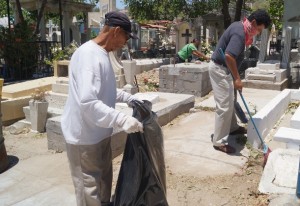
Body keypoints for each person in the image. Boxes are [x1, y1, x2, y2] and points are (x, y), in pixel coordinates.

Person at [61, 11, 144, 206]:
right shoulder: (88, 55)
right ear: (115, 31)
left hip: (100, 133)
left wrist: (129, 98)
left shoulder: (102, 54)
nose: (125, 43)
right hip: (84, 138)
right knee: (89, 189)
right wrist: (122, 119)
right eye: (126, 37)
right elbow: (88, 102)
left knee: (104, 182)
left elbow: (106, 90)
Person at [209, 9, 271, 153]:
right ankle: (218, 142)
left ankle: (232, 128)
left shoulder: (240, 25)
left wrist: (235, 76)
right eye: (259, 29)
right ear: (254, 23)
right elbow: (229, 56)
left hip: (226, 69)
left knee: (231, 101)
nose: (258, 33)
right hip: (220, 69)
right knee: (224, 105)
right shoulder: (239, 32)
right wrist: (237, 79)